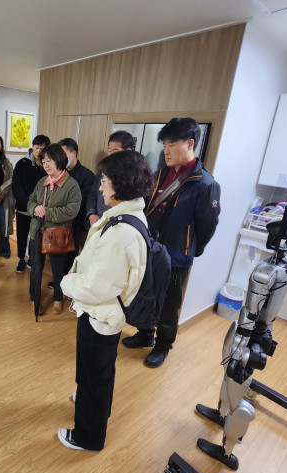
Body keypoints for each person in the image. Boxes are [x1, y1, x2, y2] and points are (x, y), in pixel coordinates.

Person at [58, 150, 154, 451]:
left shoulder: (121, 232)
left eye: (105, 181)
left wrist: (66, 282)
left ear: (121, 184)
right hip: (106, 313)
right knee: (99, 371)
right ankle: (94, 405)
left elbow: (94, 287)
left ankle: (87, 437)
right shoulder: (128, 216)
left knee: (94, 376)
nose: (100, 187)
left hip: (101, 313)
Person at [121, 117, 221, 368]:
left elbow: (208, 225)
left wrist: (192, 248)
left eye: (172, 144)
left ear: (190, 144)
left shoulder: (205, 183)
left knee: (169, 305)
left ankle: (163, 345)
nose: (166, 150)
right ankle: (145, 334)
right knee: (145, 294)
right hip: (151, 249)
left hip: (177, 253)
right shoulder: (161, 174)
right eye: (164, 145)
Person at [27, 144, 81, 314]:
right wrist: (35, 208)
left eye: (49, 161)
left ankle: (58, 297)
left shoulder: (71, 185)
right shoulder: (41, 182)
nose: (46, 165)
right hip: (37, 231)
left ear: (59, 160)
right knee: (36, 268)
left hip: (57, 234)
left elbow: (71, 211)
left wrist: (47, 213)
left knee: (58, 270)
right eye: (43, 162)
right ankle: (34, 297)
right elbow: (31, 200)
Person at [11, 134, 50, 273]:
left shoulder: (48, 165)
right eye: (36, 148)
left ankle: (33, 258)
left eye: (42, 149)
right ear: (32, 147)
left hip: (41, 210)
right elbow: (17, 187)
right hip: (24, 208)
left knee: (36, 236)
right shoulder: (22, 163)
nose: (39, 151)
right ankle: (21, 259)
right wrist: (31, 205)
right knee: (22, 235)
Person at [58, 138, 95, 274]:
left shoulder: (87, 175)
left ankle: (68, 280)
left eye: (64, 153)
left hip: (75, 222)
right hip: (59, 219)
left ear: (73, 153)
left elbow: (85, 202)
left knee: (71, 254)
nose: (61, 158)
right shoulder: (60, 172)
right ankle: (59, 280)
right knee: (59, 252)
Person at [85, 130, 134, 227]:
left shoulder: (132, 176)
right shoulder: (102, 171)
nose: (111, 155)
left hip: (117, 224)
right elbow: (92, 195)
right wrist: (92, 213)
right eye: (109, 151)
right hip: (98, 222)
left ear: (128, 151)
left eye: (115, 151)